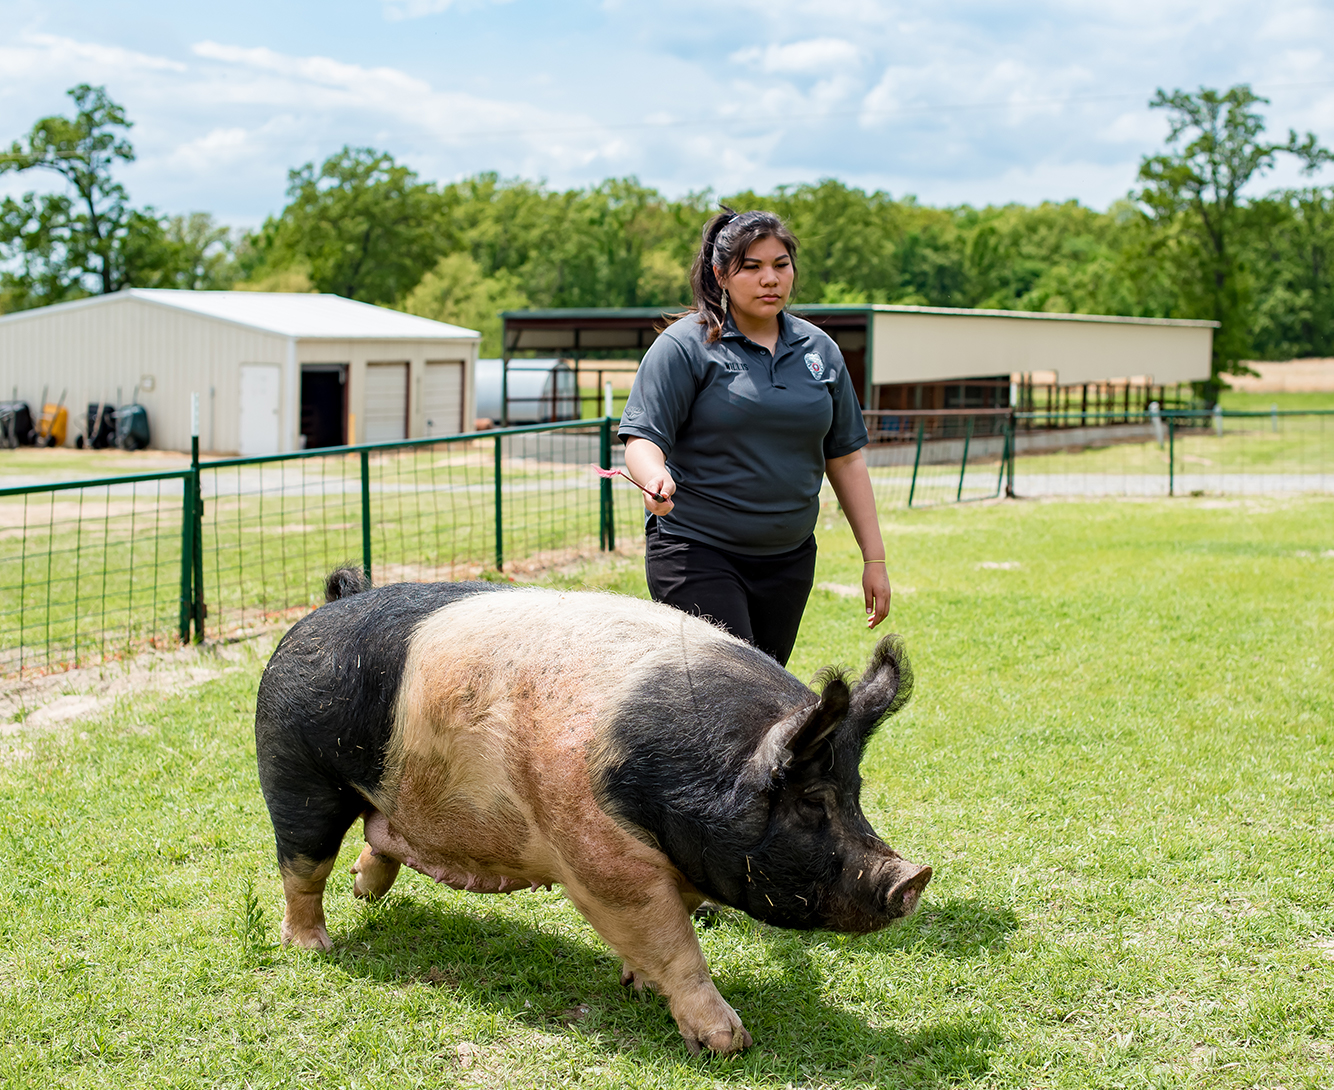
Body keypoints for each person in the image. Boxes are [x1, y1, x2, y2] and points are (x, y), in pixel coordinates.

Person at [618, 207, 891, 667]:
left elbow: (845, 459)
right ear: (721, 274)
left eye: (780, 265)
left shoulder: (819, 350)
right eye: (752, 266)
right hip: (697, 552)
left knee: (761, 703)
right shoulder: (685, 347)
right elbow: (642, 438)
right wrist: (654, 478)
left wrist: (874, 559)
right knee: (731, 690)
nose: (770, 279)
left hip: (789, 560)